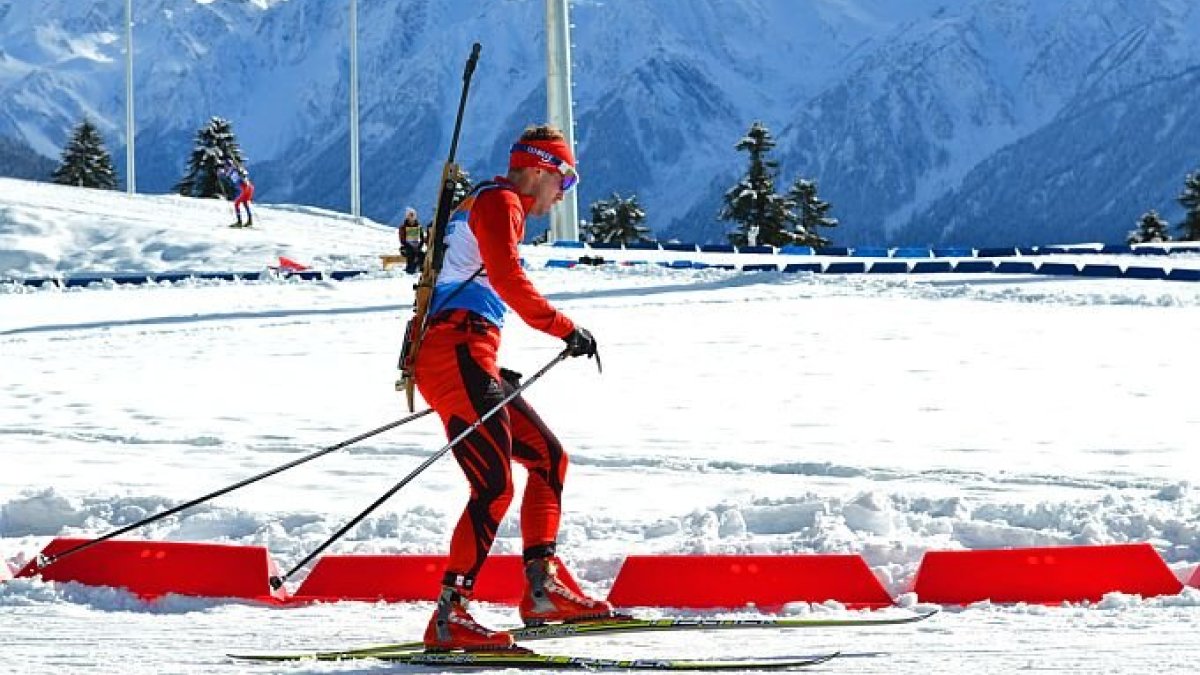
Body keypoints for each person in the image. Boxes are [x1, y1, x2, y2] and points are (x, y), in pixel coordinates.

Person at [414, 124, 610, 652]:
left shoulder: (494, 203)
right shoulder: (502, 201)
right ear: (542, 170)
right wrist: (565, 327)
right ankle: (450, 615)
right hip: (456, 351)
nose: (562, 194)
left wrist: (493, 370)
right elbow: (506, 281)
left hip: (470, 353)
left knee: (548, 457)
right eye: (563, 181)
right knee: (494, 484)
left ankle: (543, 592)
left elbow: (485, 288)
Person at [219, 158, 255, 228]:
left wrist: (220, 174)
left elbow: (226, 176)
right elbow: (243, 173)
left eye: (225, 166)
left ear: (228, 165)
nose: (224, 167)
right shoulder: (237, 169)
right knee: (245, 203)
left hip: (243, 188)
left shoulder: (231, 171)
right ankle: (250, 220)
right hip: (249, 187)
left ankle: (239, 222)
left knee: (236, 204)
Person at [399, 207, 426, 274]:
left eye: (413, 215)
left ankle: (420, 268)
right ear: (407, 216)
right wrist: (412, 247)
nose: (412, 217)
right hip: (407, 247)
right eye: (410, 215)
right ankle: (410, 269)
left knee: (422, 255)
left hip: (417, 247)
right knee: (410, 254)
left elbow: (422, 239)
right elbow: (402, 240)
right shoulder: (403, 227)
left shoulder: (419, 227)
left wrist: (419, 247)